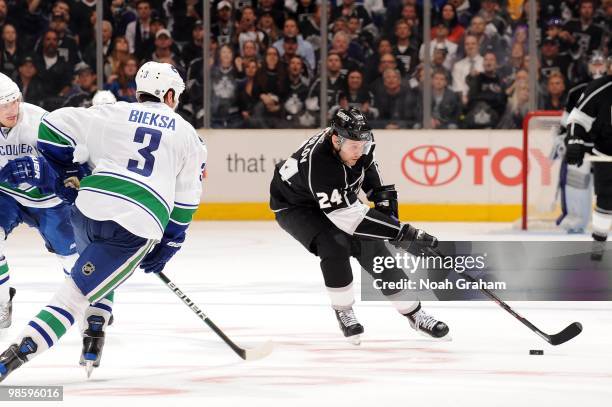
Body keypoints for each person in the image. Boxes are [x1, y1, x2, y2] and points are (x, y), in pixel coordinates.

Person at [0, 61, 207, 381]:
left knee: (88, 268)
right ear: (168, 95)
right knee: (72, 297)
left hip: (87, 211)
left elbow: (51, 126)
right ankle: (13, 358)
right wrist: (171, 243)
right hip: (135, 226)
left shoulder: (114, 112)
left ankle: (95, 319)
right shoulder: (188, 135)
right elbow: (186, 200)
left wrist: (67, 173)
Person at [269, 107, 450, 344]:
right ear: (336, 140)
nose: (360, 150)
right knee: (334, 244)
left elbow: (368, 166)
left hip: (331, 197)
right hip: (297, 206)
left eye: (363, 144)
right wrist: (404, 234)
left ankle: (414, 313)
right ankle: (343, 310)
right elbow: (350, 218)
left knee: (373, 249)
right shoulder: (320, 165)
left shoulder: (358, 142)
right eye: (354, 146)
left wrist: (383, 203)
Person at [0, 73, 78, 330]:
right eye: (3, 104)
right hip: (7, 195)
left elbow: (71, 166)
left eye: (15, 101)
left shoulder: (41, 122)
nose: (12, 109)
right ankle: (2, 300)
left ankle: (84, 301)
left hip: (48, 200)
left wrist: (43, 170)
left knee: (70, 257)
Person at [553, 52, 609, 234]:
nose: (598, 68)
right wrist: (566, 140)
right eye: (595, 64)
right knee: (576, 180)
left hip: (605, 148)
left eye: (601, 64)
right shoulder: (577, 90)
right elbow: (568, 120)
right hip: (584, 149)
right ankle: (576, 220)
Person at [564, 57, 612, 260]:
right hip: (606, 155)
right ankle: (598, 245)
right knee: (606, 200)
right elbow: (578, 118)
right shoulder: (601, 88)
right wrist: (575, 139)